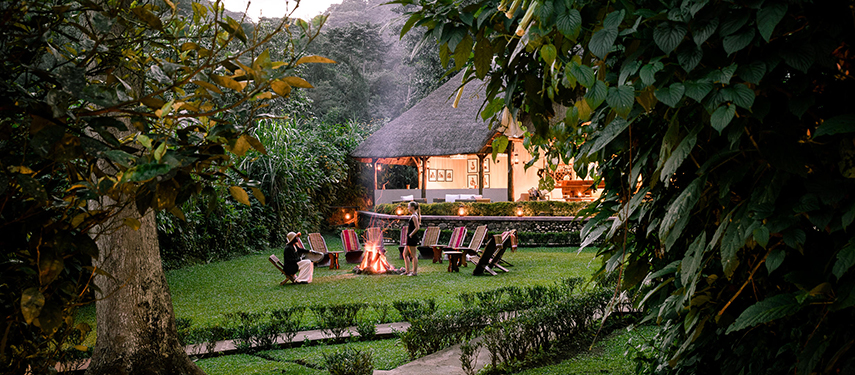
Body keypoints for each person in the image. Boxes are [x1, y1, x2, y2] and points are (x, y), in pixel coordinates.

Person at [403, 201, 421, 276]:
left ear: (412, 207)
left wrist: (411, 234)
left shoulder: (414, 216)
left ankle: (414, 272)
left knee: (413, 256)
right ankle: (407, 271)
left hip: (412, 238)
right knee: (405, 254)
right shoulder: (413, 215)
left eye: (409, 206)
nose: (408, 208)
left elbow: (417, 227)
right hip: (409, 237)